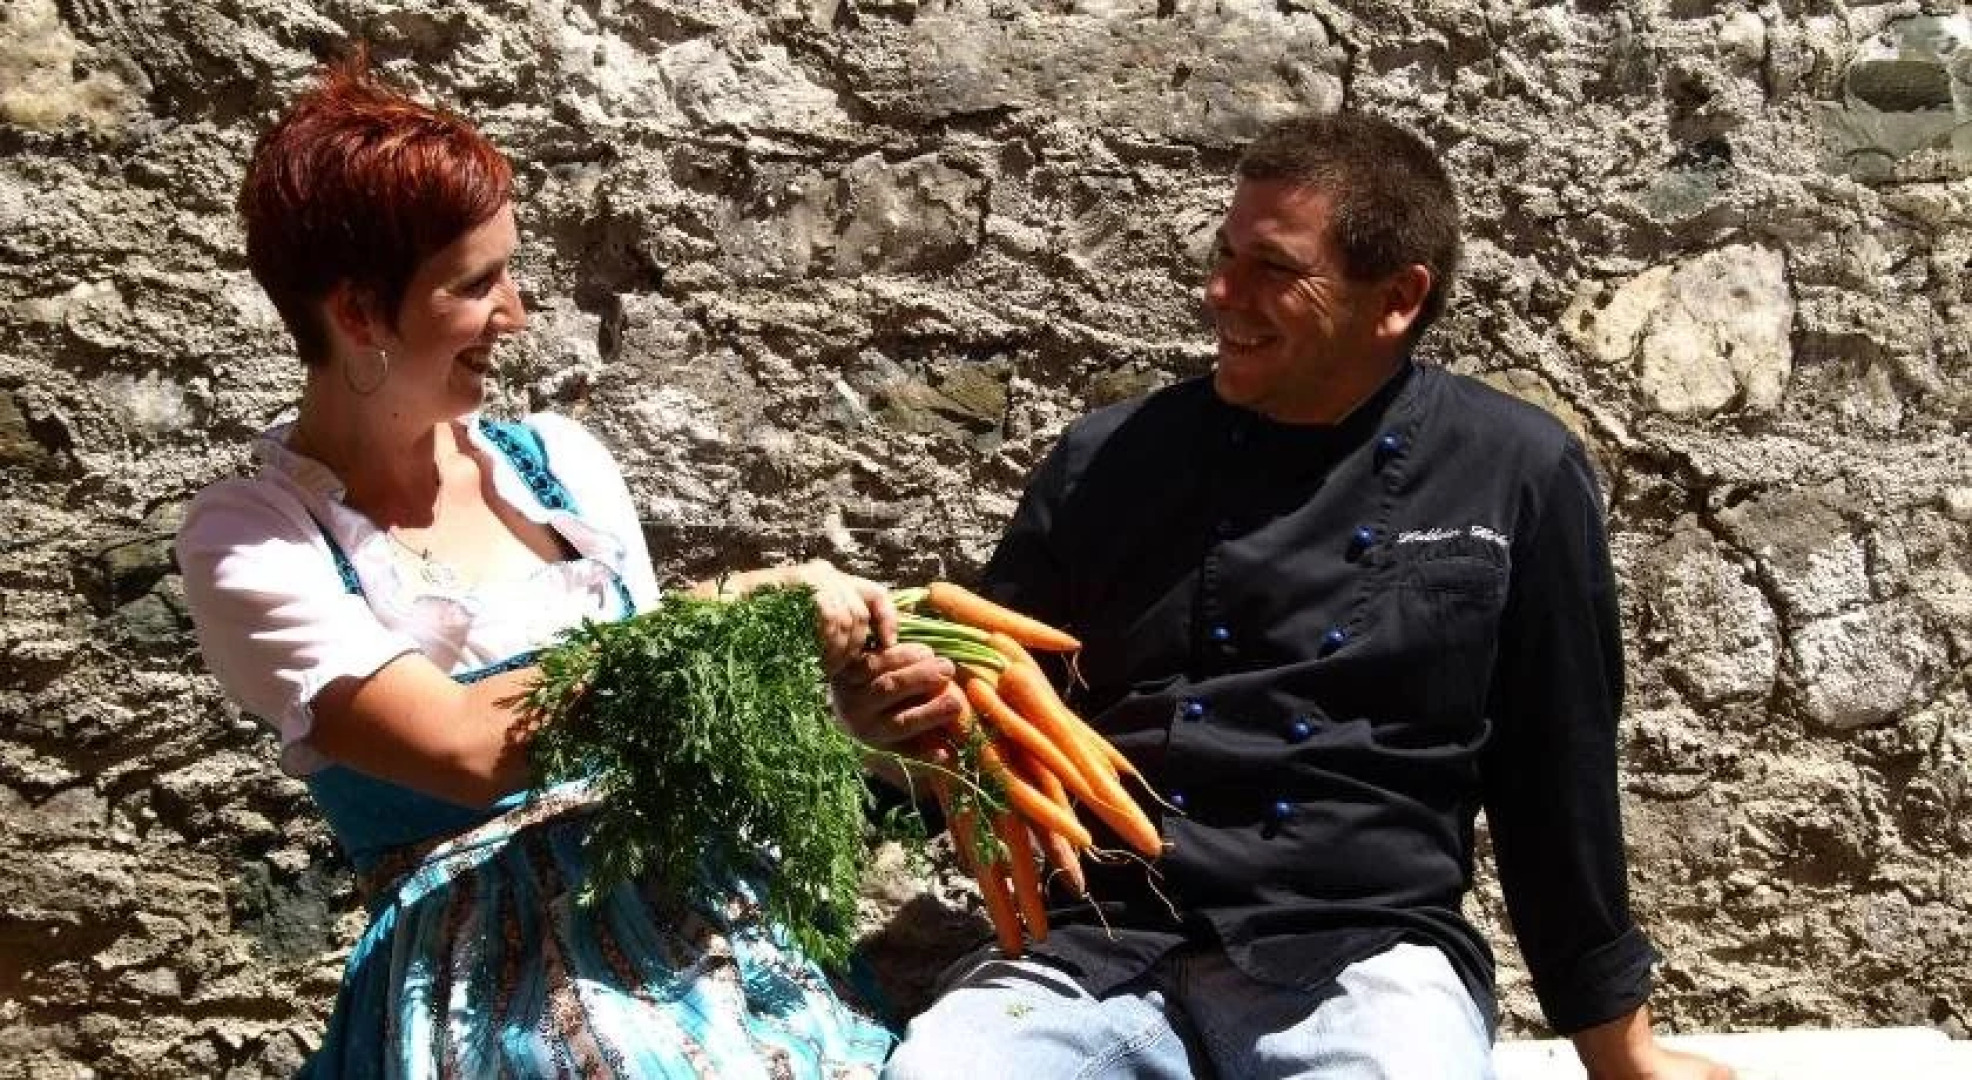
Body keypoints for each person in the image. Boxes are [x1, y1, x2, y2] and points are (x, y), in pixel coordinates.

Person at [832, 112, 1730, 1079]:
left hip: (1361, 958)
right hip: (1100, 944)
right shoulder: (1107, 463)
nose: (1222, 293)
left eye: (1272, 269)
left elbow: (1557, 773)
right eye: (1222, 255)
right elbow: (989, 738)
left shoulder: (1515, 470)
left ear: (1396, 300)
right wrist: (894, 736)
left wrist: (1618, 1048)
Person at [175, 53, 896, 1079]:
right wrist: (735, 611)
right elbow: (470, 746)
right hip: (482, 963)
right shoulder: (255, 539)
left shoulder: (560, 465)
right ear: (357, 315)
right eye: (476, 284)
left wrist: (848, 722)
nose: (516, 312)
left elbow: (672, 723)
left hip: (687, 899)